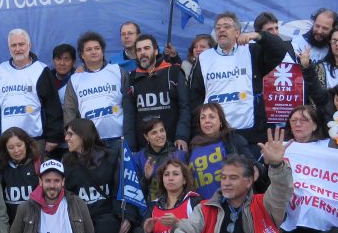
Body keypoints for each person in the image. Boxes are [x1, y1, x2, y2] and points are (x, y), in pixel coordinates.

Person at [190, 11, 291, 154]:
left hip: (250, 134)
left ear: (237, 32)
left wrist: (258, 36)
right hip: (215, 136)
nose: (221, 30)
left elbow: (280, 50)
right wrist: (198, 132)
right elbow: (195, 98)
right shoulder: (205, 58)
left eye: (226, 26)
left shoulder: (252, 51)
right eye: (218, 27)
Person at [0, 28, 63, 153]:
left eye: (21, 44)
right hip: (8, 141)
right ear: (9, 48)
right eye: (13, 45)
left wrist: (53, 137)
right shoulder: (1, 69)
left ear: (29, 45)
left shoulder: (42, 70)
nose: (17, 49)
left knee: (36, 172)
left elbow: (53, 105)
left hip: (35, 139)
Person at [62, 117, 125, 233]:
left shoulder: (110, 157)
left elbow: (120, 189)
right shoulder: (66, 160)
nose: (66, 138)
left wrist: (126, 216)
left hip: (106, 214)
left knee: (106, 232)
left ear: (83, 135)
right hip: (79, 216)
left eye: (71, 134)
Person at [123, 33, 190, 152]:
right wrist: (131, 147)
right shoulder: (131, 78)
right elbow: (129, 115)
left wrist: (182, 136)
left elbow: (185, 107)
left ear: (156, 51)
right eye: (139, 50)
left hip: (173, 145)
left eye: (146, 48)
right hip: (144, 150)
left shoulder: (173, 72)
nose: (142, 52)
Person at [63, 31, 129, 146]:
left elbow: (129, 105)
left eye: (97, 48)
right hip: (90, 143)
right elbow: (70, 112)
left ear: (102, 51)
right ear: (82, 55)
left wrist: (129, 135)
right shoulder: (75, 79)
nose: (93, 52)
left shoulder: (117, 71)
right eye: (88, 49)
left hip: (119, 139)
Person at [188, 102, 252, 201]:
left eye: (211, 117)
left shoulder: (233, 140)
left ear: (221, 121)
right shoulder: (193, 145)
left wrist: (256, 169)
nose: (207, 121)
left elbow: (252, 165)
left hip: (229, 203)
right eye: (203, 118)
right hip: (202, 207)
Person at [299, 26, 338, 117]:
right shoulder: (320, 69)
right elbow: (315, 96)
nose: (337, 43)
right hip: (326, 121)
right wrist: (306, 66)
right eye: (334, 41)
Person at [131, 115, 187, 202]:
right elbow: (134, 194)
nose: (160, 135)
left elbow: (188, 186)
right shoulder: (137, 159)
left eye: (162, 130)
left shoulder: (180, 155)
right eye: (154, 132)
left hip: (176, 207)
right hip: (150, 210)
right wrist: (146, 178)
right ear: (146, 137)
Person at [0, 127, 41, 225]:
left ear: (26, 144)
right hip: (11, 224)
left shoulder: (39, 164)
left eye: (19, 145)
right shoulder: (0, 168)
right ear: (5, 149)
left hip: (36, 223)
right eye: (11, 147)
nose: (16, 150)